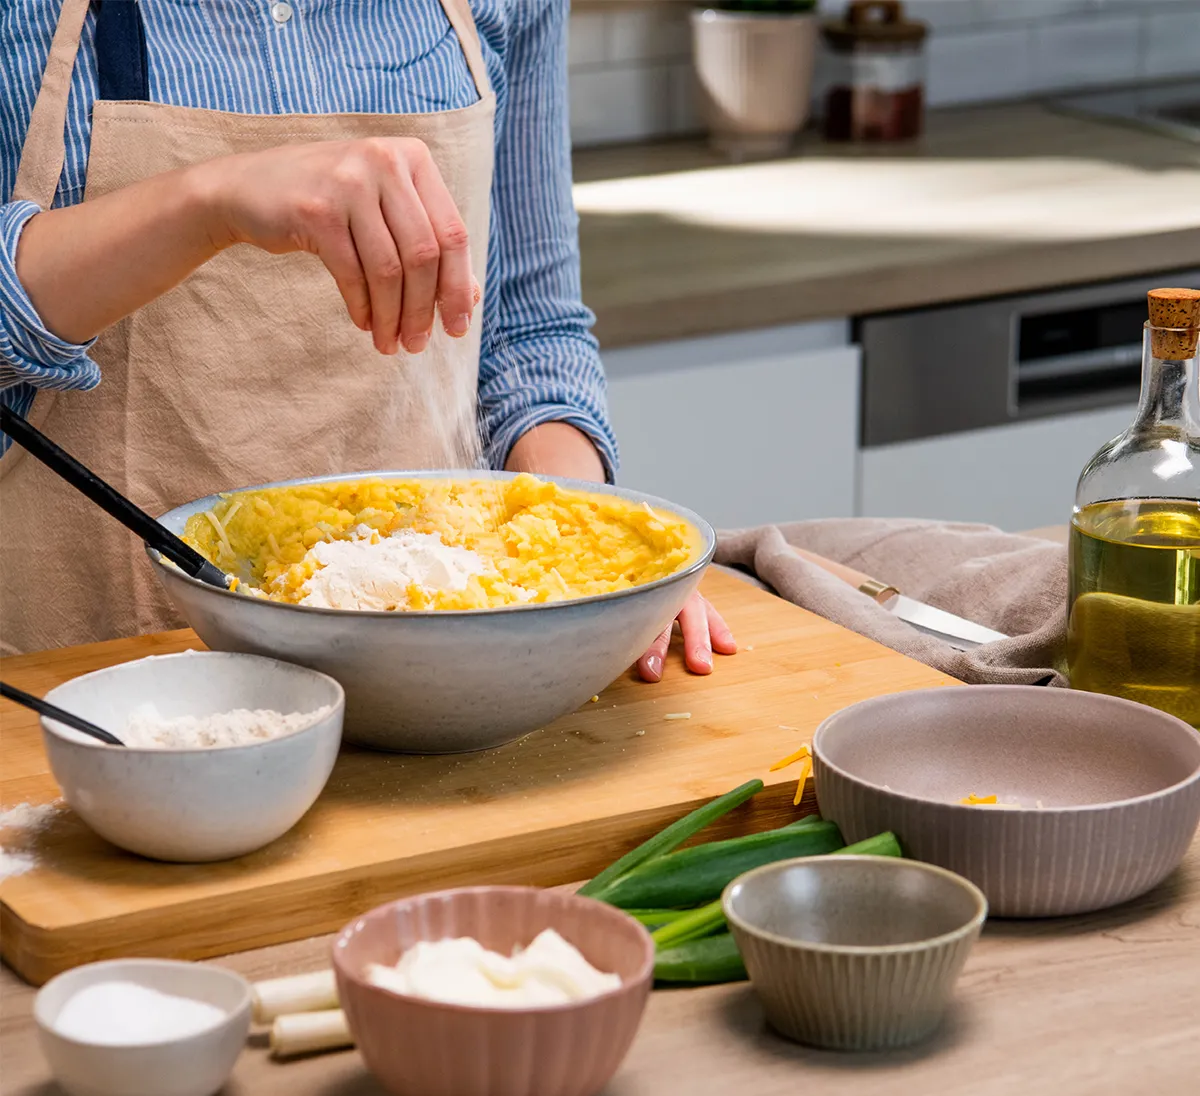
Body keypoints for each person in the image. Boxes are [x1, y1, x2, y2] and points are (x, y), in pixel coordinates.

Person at [0, 0, 734, 676]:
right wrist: (206, 203)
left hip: (450, 671)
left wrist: (590, 571)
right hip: (95, 686)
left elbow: (523, 332)